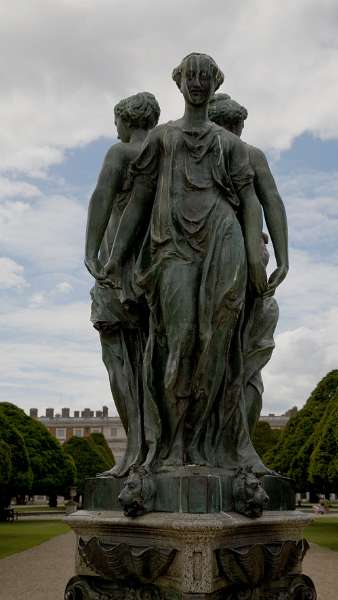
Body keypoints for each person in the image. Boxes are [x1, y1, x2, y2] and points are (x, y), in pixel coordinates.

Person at [101, 53, 285, 473]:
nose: (198, 83)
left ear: (215, 82)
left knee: (216, 343)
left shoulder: (234, 146)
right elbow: (139, 202)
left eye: (205, 76)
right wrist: (114, 259)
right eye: (191, 76)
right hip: (172, 247)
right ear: (179, 82)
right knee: (178, 341)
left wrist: (267, 259)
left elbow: (256, 202)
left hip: (224, 240)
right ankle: (173, 446)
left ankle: (206, 446)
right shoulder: (162, 139)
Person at [84, 92, 160, 476]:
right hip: (160, 267)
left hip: (120, 265)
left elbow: (101, 199)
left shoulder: (121, 153)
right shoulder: (167, 151)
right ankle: (158, 447)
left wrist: (91, 252)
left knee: (118, 358)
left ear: (127, 120)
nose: (115, 128)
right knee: (156, 361)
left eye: (117, 121)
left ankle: (134, 449)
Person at [208, 93, 288, 434]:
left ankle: (226, 439)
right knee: (244, 355)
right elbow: (273, 202)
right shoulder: (250, 154)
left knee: (227, 350)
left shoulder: (201, 153)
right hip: (243, 257)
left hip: (222, 258)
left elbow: (271, 202)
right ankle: (232, 438)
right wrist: (282, 256)